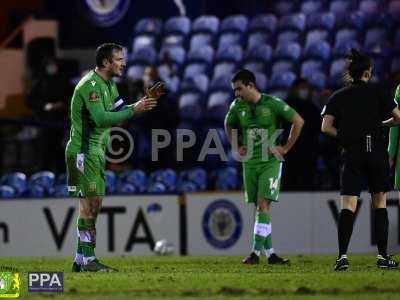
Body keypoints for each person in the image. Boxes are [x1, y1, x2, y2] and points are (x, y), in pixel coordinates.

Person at [65, 43, 165, 272]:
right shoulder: (90, 85)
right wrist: (135, 109)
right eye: (119, 59)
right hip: (83, 150)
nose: (124, 63)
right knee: (89, 204)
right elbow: (101, 118)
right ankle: (89, 260)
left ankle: (81, 259)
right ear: (106, 62)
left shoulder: (109, 84)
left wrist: (142, 103)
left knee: (94, 204)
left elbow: (121, 112)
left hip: (96, 151)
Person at [321, 49, 400, 271]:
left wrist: (345, 135)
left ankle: (342, 257)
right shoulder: (379, 92)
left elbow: (325, 127)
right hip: (375, 150)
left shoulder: (337, 96)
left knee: (348, 205)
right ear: (368, 72)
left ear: (350, 73)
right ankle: (383, 257)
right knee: (380, 202)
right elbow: (399, 118)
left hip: (352, 151)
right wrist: (379, 126)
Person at [224, 69, 304, 265]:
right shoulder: (237, 105)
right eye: (234, 90)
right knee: (261, 208)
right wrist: (236, 146)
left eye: (239, 89)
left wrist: (285, 148)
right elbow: (228, 124)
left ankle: (254, 253)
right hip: (250, 162)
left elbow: (298, 121)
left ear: (251, 85)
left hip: (270, 161)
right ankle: (271, 254)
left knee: (262, 204)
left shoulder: (272, 103)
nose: (236, 93)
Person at [284, 78, 321, 190]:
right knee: (290, 183)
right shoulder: (286, 107)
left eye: (306, 88)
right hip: (290, 153)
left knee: (307, 183)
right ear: (294, 89)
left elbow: (319, 127)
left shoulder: (312, 108)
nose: (304, 91)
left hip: (309, 154)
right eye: (301, 88)